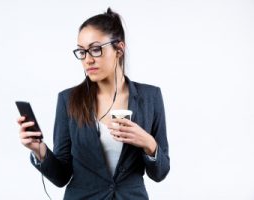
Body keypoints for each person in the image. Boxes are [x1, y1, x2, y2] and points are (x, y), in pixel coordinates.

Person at [17, 7, 170, 200]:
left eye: (96, 49)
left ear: (119, 49)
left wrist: (148, 143)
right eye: (82, 52)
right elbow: (61, 176)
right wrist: (39, 150)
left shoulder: (150, 97)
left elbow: (161, 173)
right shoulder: (68, 99)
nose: (88, 60)